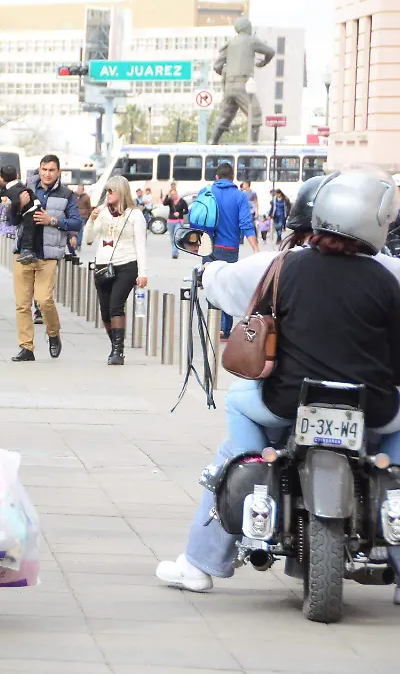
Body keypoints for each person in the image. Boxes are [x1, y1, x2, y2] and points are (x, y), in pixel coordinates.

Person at [156, 170, 400, 603]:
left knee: (238, 427)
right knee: (395, 458)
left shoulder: (282, 265)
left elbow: (231, 293)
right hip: (371, 408)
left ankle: (205, 554)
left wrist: (207, 268)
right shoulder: (389, 276)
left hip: (289, 401)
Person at [11, 155, 82, 362]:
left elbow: (77, 222)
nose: (47, 174)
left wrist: (52, 220)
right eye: (44, 169)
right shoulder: (26, 190)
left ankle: (53, 333)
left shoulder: (66, 194)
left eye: (51, 170)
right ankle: (26, 348)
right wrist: (18, 205)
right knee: (22, 304)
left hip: (48, 255)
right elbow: (12, 220)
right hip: (23, 253)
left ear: (58, 171)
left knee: (43, 300)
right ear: (39, 170)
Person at [83, 176, 147, 366]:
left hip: (127, 264)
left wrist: (142, 272)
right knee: (105, 312)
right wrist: (91, 219)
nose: (108, 194)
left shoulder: (135, 215)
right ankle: (115, 345)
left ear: (122, 192)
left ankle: (118, 350)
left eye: (111, 191)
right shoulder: (101, 213)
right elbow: (87, 239)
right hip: (103, 266)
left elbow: (141, 244)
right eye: (107, 191)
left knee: (116, 306)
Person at [204, 163, 259, 339]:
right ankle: (224, 330)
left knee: (210, 283)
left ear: (217, 177)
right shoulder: (240, 196)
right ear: (233, 177)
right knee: (227, 287)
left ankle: (213, 325)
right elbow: (246, 224)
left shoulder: (207, 192)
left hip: (208, 245)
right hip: (230, 248)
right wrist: (256, 249)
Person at [166, 188, 189, 259]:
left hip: (179, 221)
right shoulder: (170, 201)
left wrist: (179, 213)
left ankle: (174, 253)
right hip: (170, 221)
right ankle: (174, 250)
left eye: (174, 194)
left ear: (177, 193)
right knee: (172, 238)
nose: (173, 195)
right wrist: (167, 196)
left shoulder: (182, 201)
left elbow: (186, 210)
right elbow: (164, 203)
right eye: (172, 194)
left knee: (176, 237)